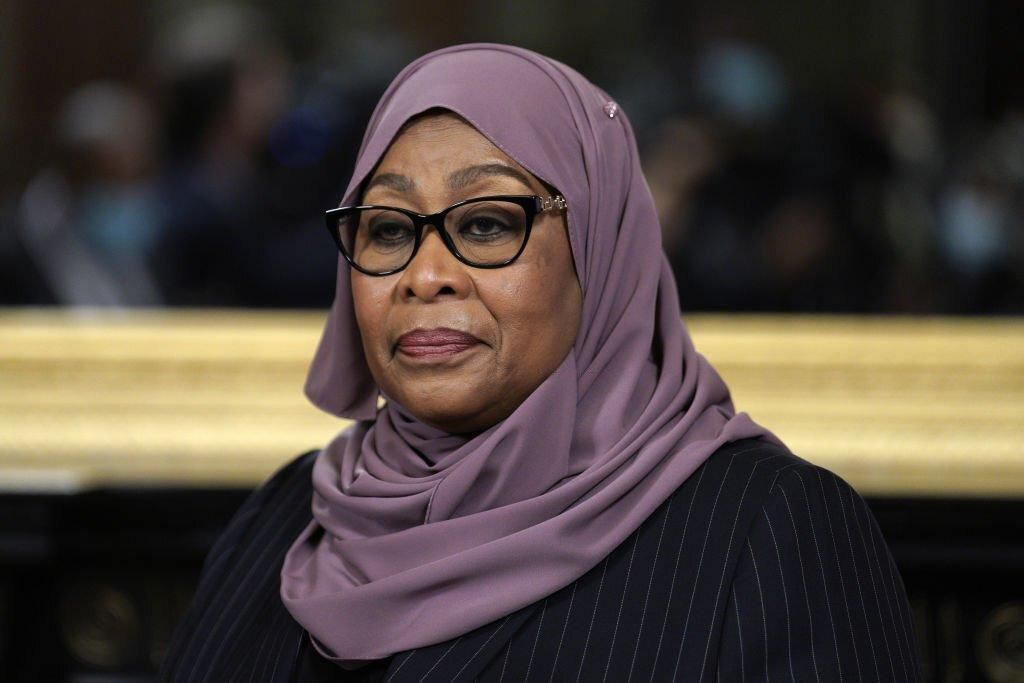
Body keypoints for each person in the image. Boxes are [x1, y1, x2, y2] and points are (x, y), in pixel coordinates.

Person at [159, 43, 921, 682]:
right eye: (388, 230)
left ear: (600, 247)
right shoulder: (289, 516)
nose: (426, 275)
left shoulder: (770, 530)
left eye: (487, 223)